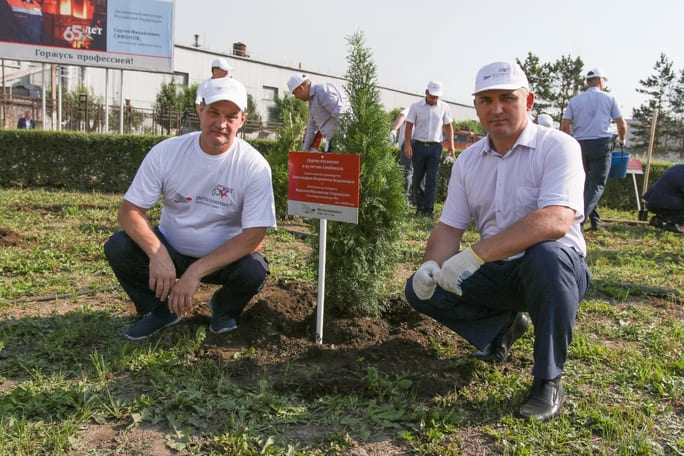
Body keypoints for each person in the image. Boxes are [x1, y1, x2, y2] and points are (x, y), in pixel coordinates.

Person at [404, 61, 590, 421]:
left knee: (546, 256)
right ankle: (503, 326)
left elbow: (555, 220)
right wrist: (431, 265)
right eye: (486, 100)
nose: (497, 108)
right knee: (419, 289)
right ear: (476, 106)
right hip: (498, 270)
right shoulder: (469, 161)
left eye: (508, 98)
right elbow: (448, 228)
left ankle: (548, 380)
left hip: (555, 273)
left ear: (529, 101)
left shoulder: (558, 147)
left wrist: (474, 256)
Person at [104, 77, 276, 340]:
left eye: (231, 116)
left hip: (223, 260)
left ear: (243, 119)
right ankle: (161, 310)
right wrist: (158, 253)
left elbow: (254, 236)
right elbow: (129, 211)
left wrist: (196, 272)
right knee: (119, 246)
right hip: (171, 249)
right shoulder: (167, 152)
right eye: (214, 113)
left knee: (253, 269)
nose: (221, 124)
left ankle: (223, 308)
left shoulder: (253, 166)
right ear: (200, 109)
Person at [561, 68, 627, 231]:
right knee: (597, 184)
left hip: (580, 145)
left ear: (588, 82)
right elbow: (621, 124)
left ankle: (595, 222)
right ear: (600, 81)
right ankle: (577, 222)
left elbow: (565, 125)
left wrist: (568, 143)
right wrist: (622, 139)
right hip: (601, 144)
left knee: (583, 183)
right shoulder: (609, 99)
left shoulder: (575, 101)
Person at [404, 80, 455, 218]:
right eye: (432, 96)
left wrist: (451, 145)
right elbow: (408, 126)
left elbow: (448, 127)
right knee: (418, 177)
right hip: (419, 146)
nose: (434, 99)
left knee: (432, 178)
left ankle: (429, 209)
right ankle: (419, 207)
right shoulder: (416, 106)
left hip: (435, 147)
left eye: (437, 96)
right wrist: (408, 145)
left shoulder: (444, 107)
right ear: (426, 93)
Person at [287, 73, 351, 152]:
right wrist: (305, 150)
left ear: (301, 88)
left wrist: (339, 144)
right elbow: (312, 127)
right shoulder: (312, 100)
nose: (296, 97)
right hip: (333, 141)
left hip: (345, 141)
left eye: (295, 93)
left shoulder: (323, 91)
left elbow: (341, 115)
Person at [390, 107, 423, 205]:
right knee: (419, 172)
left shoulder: (411, 108)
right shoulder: (424, 109)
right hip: (421, 143)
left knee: (407, 172)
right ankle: (417, 201)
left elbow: (402, 116)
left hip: (409, 142)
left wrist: (394, 129)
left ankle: (405, 201)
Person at [642, 163, 684, 234]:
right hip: (662, 201)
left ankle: (660, 219)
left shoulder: (678, 167)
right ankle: (674, 224)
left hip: (649, 200)